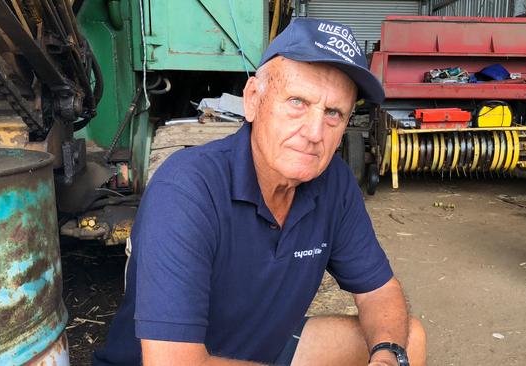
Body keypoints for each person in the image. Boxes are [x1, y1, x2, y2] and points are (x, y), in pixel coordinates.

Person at [93, 17, 426, 366]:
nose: (314, 132)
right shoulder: (186, 190)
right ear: (253, 99)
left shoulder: (333, 182)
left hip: (260, 351)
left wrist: (387, 358)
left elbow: (379, 291)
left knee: (406, 340)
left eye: (333, 113)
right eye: (298, 102)